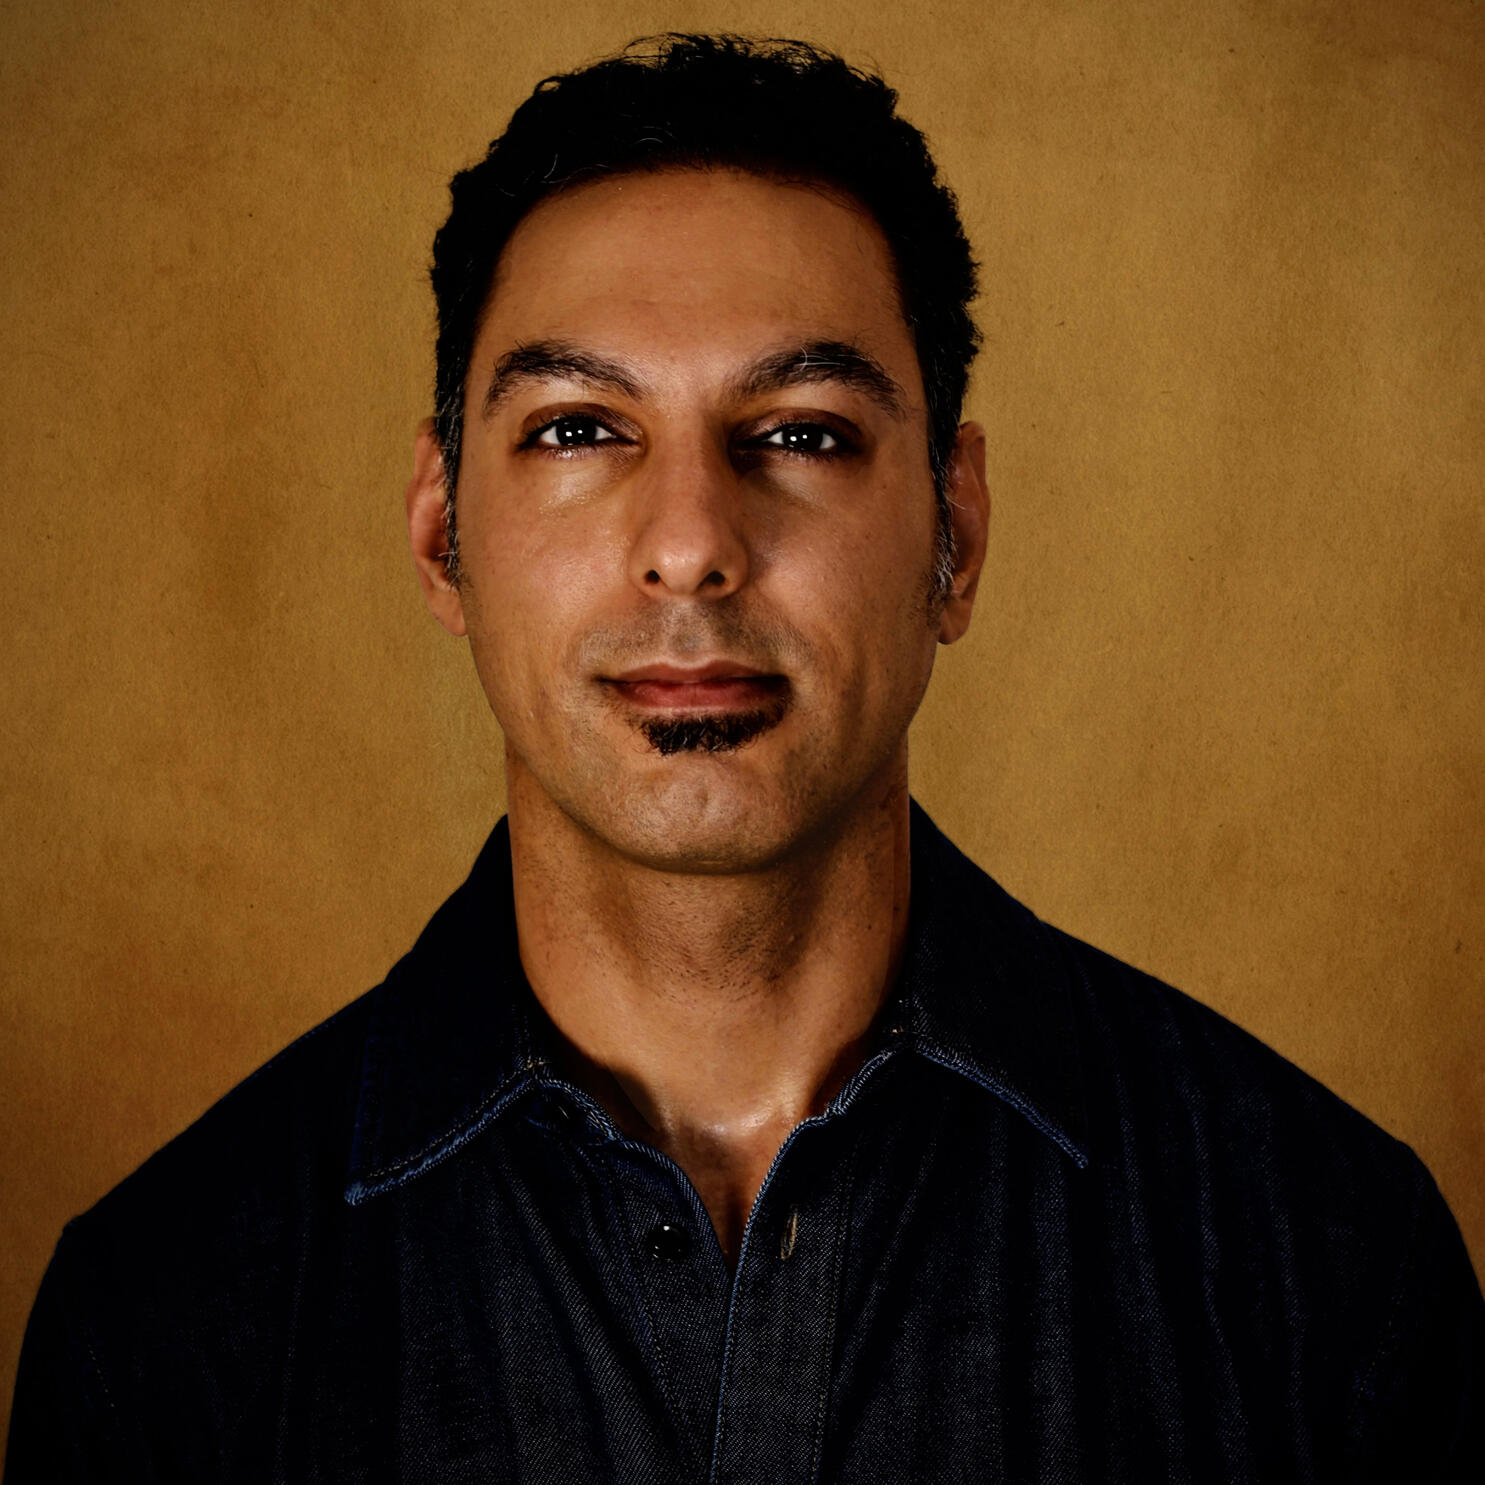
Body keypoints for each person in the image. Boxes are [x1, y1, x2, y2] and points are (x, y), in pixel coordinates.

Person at [6, 31, 1481, 1482]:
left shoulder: (1324, 1274)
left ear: (957, 535)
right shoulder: (164, 1328)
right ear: (441, 535)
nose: (692, 545)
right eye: (579, 429)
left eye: (803, 433)